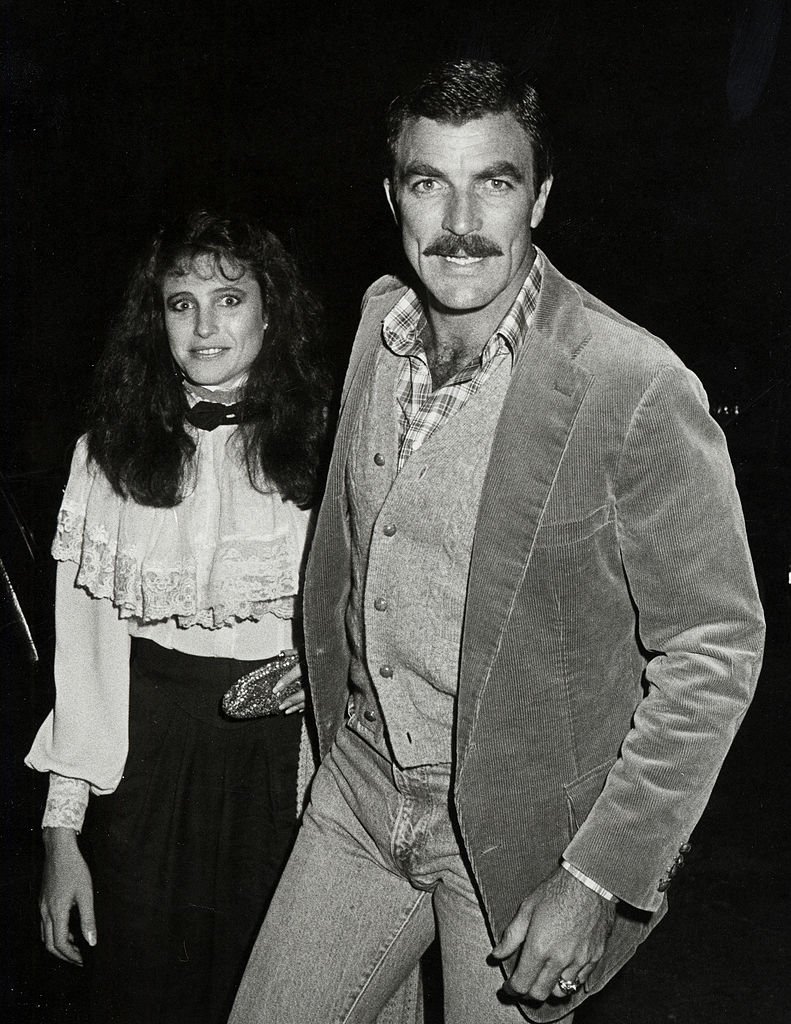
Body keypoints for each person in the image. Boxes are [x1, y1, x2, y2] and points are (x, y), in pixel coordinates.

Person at [229, 60, 766, 1024]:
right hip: (356, 788)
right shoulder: (373, 325)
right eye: (430, 181)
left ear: (541, 198)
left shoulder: (630, 383)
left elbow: (714, 649)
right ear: (393, 197)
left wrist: (599, 877)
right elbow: (358, 551)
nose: (461, 220)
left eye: (496, 181)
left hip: (513, 843)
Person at [25, 210, 329, 1024]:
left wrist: (330, 666)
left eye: (229, 299)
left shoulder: (329, 447)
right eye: (180, 302)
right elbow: (86, 661)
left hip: (288, 772)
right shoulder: (107, 452)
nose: (203, 325)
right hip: (148, 769)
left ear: (271, 312)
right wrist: (63, 839)